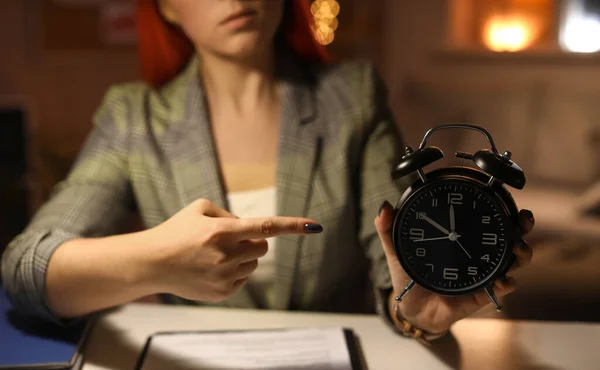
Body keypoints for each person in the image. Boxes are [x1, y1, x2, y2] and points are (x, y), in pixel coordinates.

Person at [1, 0, 533, 343]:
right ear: (164, 7)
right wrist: (156, 262)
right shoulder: (133, 117)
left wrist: (417, 312)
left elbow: (391, 259)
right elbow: (26, 270)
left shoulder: (351, 98)